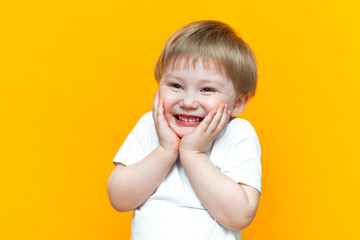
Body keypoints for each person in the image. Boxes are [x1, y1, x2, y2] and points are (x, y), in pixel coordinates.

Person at [107, 20, 262, 240]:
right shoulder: (151, 124)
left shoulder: (238, 134)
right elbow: (119, 199)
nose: (188, 102)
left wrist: (193, 154)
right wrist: (165, 150)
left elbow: (240, 215)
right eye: (176, 86)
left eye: (207, 89)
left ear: (237, 103)